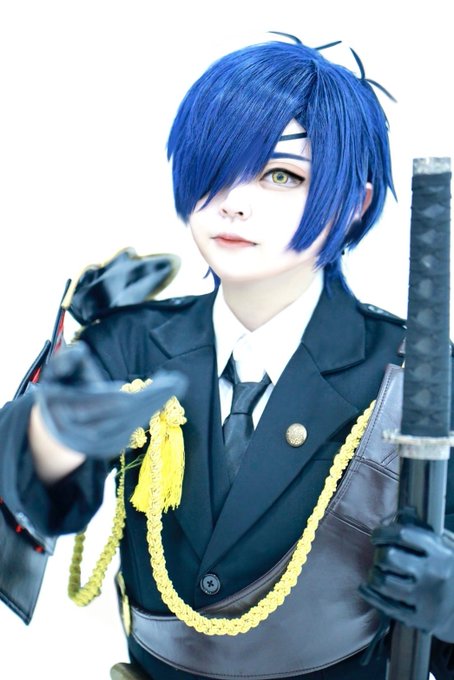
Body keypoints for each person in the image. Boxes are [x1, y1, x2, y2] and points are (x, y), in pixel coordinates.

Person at [0, 34, 453, 680]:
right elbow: (27, 507)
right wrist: (49, 438)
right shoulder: (132, 342)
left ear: (354, 203)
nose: (234, 201)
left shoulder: (412, 373)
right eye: (218, 168)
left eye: (281, 175)